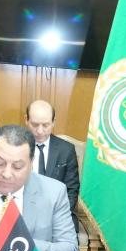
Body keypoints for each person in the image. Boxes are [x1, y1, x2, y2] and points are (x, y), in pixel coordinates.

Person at [25, 99, 80, 232]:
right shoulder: (16, 147)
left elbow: (72, 190)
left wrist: (54, 217)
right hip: (24, 215)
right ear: (26, 120)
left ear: (53, 122)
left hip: (58, 216)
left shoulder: (66, 150)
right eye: (35, 124)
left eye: (45, 125)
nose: (40, 131)